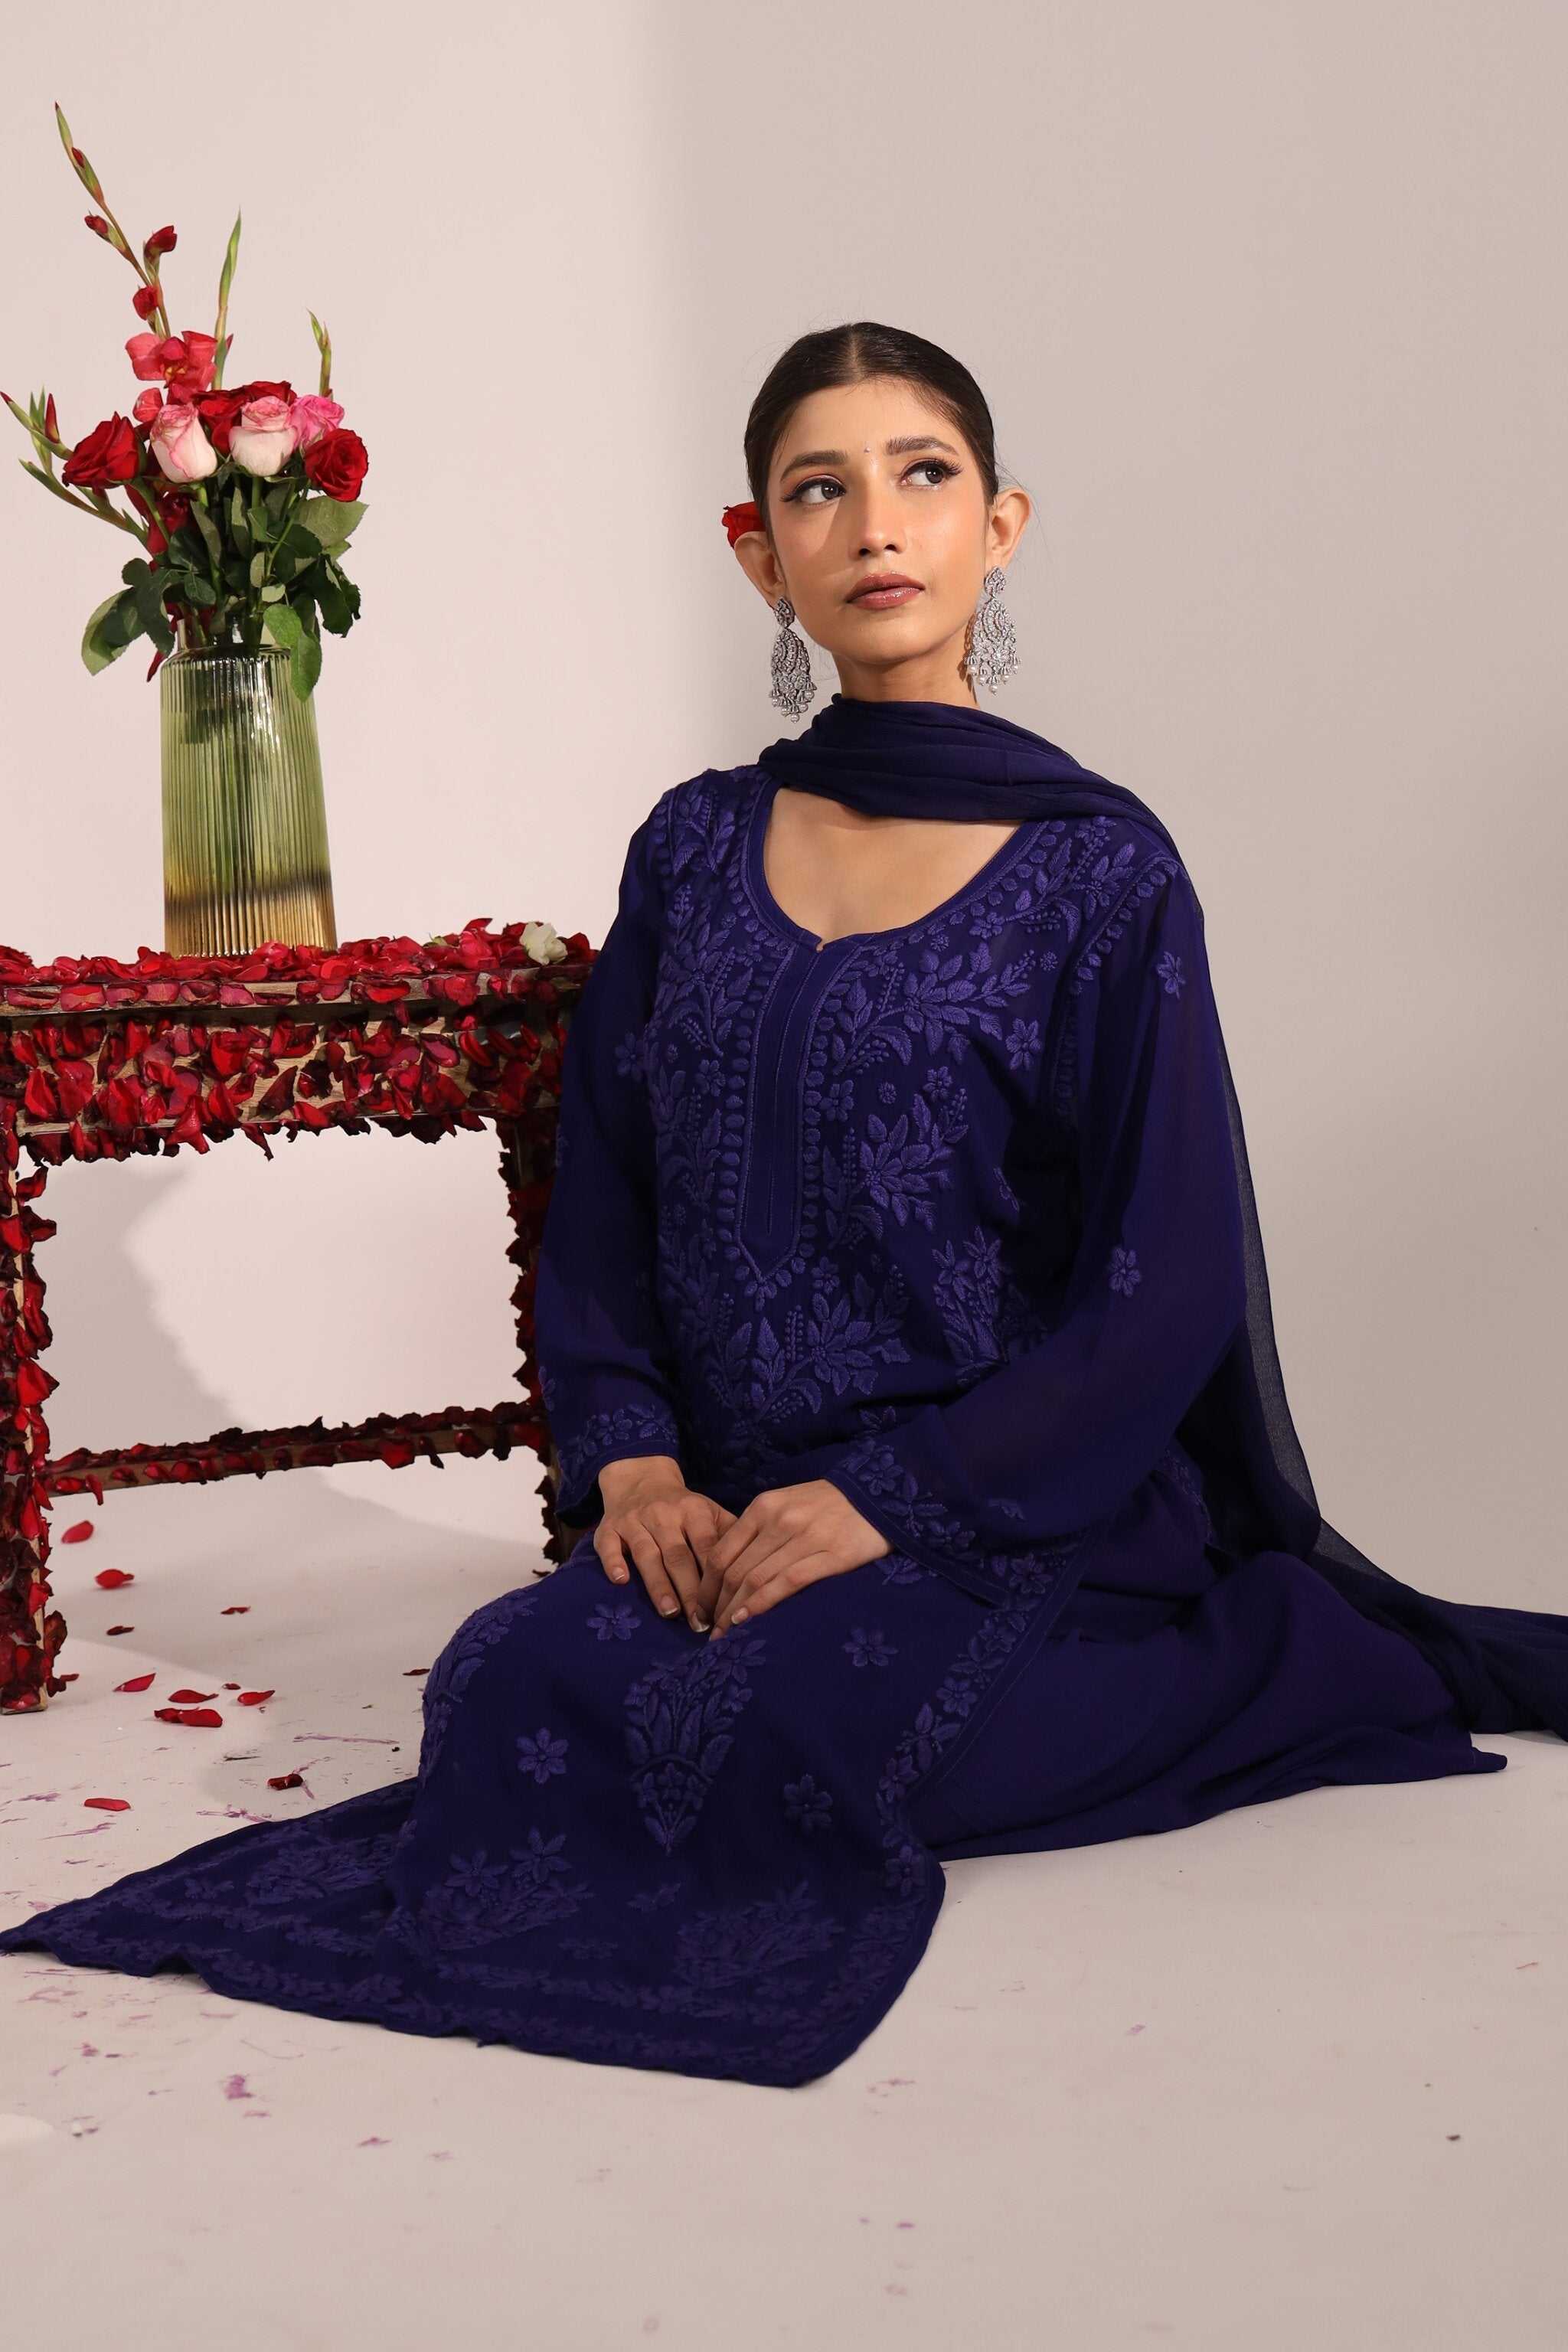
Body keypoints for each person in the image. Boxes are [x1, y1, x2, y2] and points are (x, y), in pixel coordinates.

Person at [3, 321, 1564, 2091]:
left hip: (1022, 1513)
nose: (874, 524)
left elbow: (1168, 1274)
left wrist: (899, 1498)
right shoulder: (694, 845)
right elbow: (607, 1185)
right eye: (818, 490)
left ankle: (1271, 1651)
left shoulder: (1098, 870)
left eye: (923, 477)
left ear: (1003, 524)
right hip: (728, 1509)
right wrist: (637, 1461)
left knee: (794, 1724)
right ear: (759, 550)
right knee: (508, 1679)